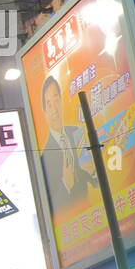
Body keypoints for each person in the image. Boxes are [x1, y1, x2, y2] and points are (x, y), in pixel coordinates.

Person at [37, 75, 96, 216]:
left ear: (62, 101)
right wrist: (66, 184)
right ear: (44, 112)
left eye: (56, 100)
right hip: (71, 226)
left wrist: (93, 171)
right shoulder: (44, 158)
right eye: (49, 104)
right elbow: (53, 208)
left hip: (93, 214)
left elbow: (97, 183)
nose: (54, 109)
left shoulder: (76, 133)